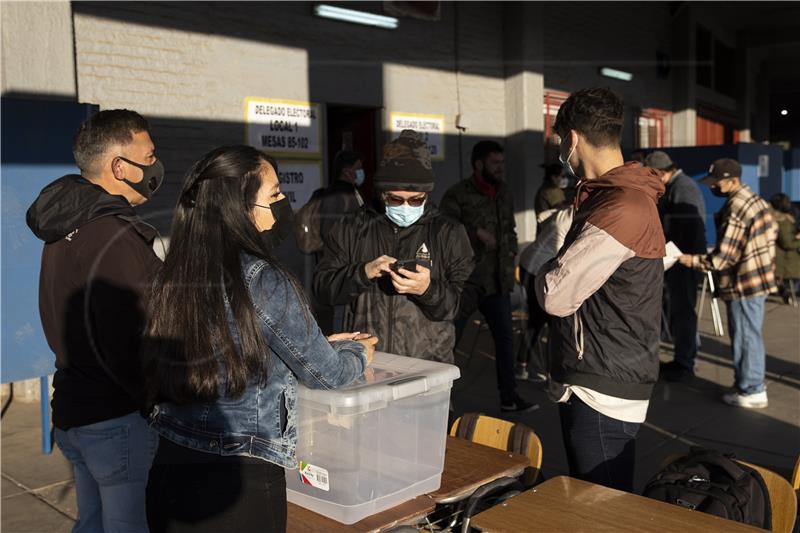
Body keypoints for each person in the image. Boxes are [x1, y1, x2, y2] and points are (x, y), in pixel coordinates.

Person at [143, 145, 376, 532]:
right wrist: (357, 351)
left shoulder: (172, 273)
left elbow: (229, 345)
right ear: (240, 207)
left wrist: (318, 341)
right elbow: (328, 375)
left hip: (170, 462)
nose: (284, 202)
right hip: (239, 479)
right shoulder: (262, 278)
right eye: (274, 195)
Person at [26, 109, 165, 532]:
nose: (156, 166)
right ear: (120, 167)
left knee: (93, 523)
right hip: (115, 418)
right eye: (150, 155)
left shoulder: (67, 227)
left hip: (74, 409)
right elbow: (132, 338)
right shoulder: (114, 235)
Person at [535, 87, 666, 492]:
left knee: (601, 507)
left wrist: (542, 267)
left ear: (572, 138)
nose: (562, 150)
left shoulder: (621, 208)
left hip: (602, 386)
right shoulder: (613, 199)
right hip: (604, 372)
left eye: (560, 141)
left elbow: (555, 295)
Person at [314, 130, 474, 364]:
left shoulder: (448, 231)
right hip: (366, 362)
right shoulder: (351, 226)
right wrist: (363, 272)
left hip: (426, 368)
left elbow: (465, 302)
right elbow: (322, 289)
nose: (406, 206)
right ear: (381, 193)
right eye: (395, 199)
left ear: (427, 195)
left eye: (416, 200)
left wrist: (427, 290)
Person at [441, 141, 535, 412]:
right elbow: (445, 232)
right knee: (449, 340)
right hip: (466, 282)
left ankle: (509, 397)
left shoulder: (504, 192)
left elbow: (510, 228)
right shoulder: (457, 195)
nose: (501, 168)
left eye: (502, 163)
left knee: (505, 340)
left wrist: (511, 255)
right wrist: (476, 234)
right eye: (495, 163)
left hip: (498, 281)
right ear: (478, 164)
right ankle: (439, 398)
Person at [679, 159, 778, 408]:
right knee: (751, 335)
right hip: (759, 278)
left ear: (733, 180)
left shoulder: (736, 207)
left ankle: (751, 389)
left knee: (745, 336)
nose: (713, 187)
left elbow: (724, 258)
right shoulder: (757, 200)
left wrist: (691, 260)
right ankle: (751, 383)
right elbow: (771, 233)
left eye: (717, 182)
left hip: (743, 283)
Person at [644, 151, 707, 382]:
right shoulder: (678, 186)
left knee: (684, 312)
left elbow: (686, 230)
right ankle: (684, 358)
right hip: (680, 258)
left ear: (661, 172)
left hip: (683, 260)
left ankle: (685, 362)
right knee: (680, 312)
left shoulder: (684, 188)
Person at [319, 150, 366, 241]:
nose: (361, 172)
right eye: (358, 168)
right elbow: (327, 231)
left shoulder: (354, 191)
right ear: (346, 172)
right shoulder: (334, 196)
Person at [770, 193, 800, 304]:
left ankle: (785, 292)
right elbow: (787, 243)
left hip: (782, 259)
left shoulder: (777, 220)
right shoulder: (784, 222)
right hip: (787, 259)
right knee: (789, 282)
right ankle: (786, 292)